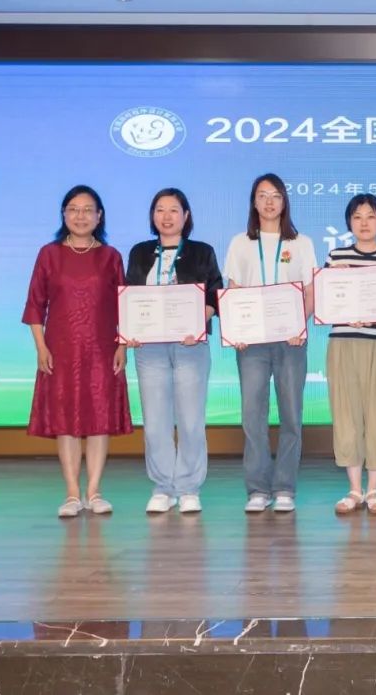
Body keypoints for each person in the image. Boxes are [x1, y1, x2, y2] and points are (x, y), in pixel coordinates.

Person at [22, 185, 132, 518]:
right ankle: (72, 494)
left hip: (102, 349)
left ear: (99, 216)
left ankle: (94, 491)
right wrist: (41, 347)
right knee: (65, 421)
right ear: (64, 214)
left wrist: (122, 345)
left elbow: (125, 305)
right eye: (73, 209)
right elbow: (35, 305)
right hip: (60, 350)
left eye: (87, 210)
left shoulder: (111, 256)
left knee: (99, 420)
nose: (80, 216)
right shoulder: (49, 254)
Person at [125, 188, 224, 515]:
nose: (166, 216)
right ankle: (163, 487)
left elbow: (215, 293)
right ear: (152, 216)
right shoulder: (140, 252)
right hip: (149, 348)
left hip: (190, 345)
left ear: (186, 215)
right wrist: (130, 330)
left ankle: (189, 487)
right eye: (160, 210)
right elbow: (129, 295)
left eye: (173, 210)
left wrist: (200, 319)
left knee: (191, 419)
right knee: (155, 421)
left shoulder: (202, 252)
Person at [223, 173, 316, 514]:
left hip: (291, 341)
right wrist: (236, 330)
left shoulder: (301, 243)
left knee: (291, 415)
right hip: (252, 344)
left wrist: (299, 324)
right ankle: (258, 489)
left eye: (275, 195)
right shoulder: (240, 243)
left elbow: (310, 291)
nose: (269, 202)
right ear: (254, 202)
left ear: (284, 201)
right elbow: (233, 290)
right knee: (253, 416)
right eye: (262, 195)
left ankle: (285, 487)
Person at [325, 194, 376, 516]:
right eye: (357, 216)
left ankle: (374, 488)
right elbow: (326, 300)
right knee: (345, 413)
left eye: (371, 216)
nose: (364, 222)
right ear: (349, 222)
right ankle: (354, 489)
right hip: (343, 341)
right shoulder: (336, 256)